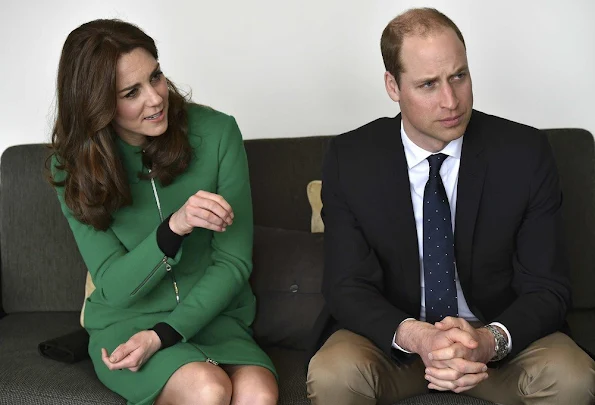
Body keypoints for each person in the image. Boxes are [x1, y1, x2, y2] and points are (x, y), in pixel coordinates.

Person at [306, 7, 595, 405]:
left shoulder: (524, 153)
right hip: (398, 345)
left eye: (459, 76)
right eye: (428, 84)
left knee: (573, 377)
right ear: (393, 86)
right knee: (333, 375)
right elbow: (345, 285)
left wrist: (486, 342)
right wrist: (417, 336)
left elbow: (548, 287)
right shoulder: (350, 158)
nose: (451, 101)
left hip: (498, 344)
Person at [48, 19, 278, 405]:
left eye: (155, 77)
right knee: (208, 389)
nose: (155, 98)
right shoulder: (71, 166)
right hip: (126, 323)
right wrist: (175, 227)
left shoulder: (218, 133)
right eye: (131, 92)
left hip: (214, 317)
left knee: (258, 395)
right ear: (96, 104)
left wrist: (165, 333)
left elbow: (234, 262)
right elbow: (115, 285)